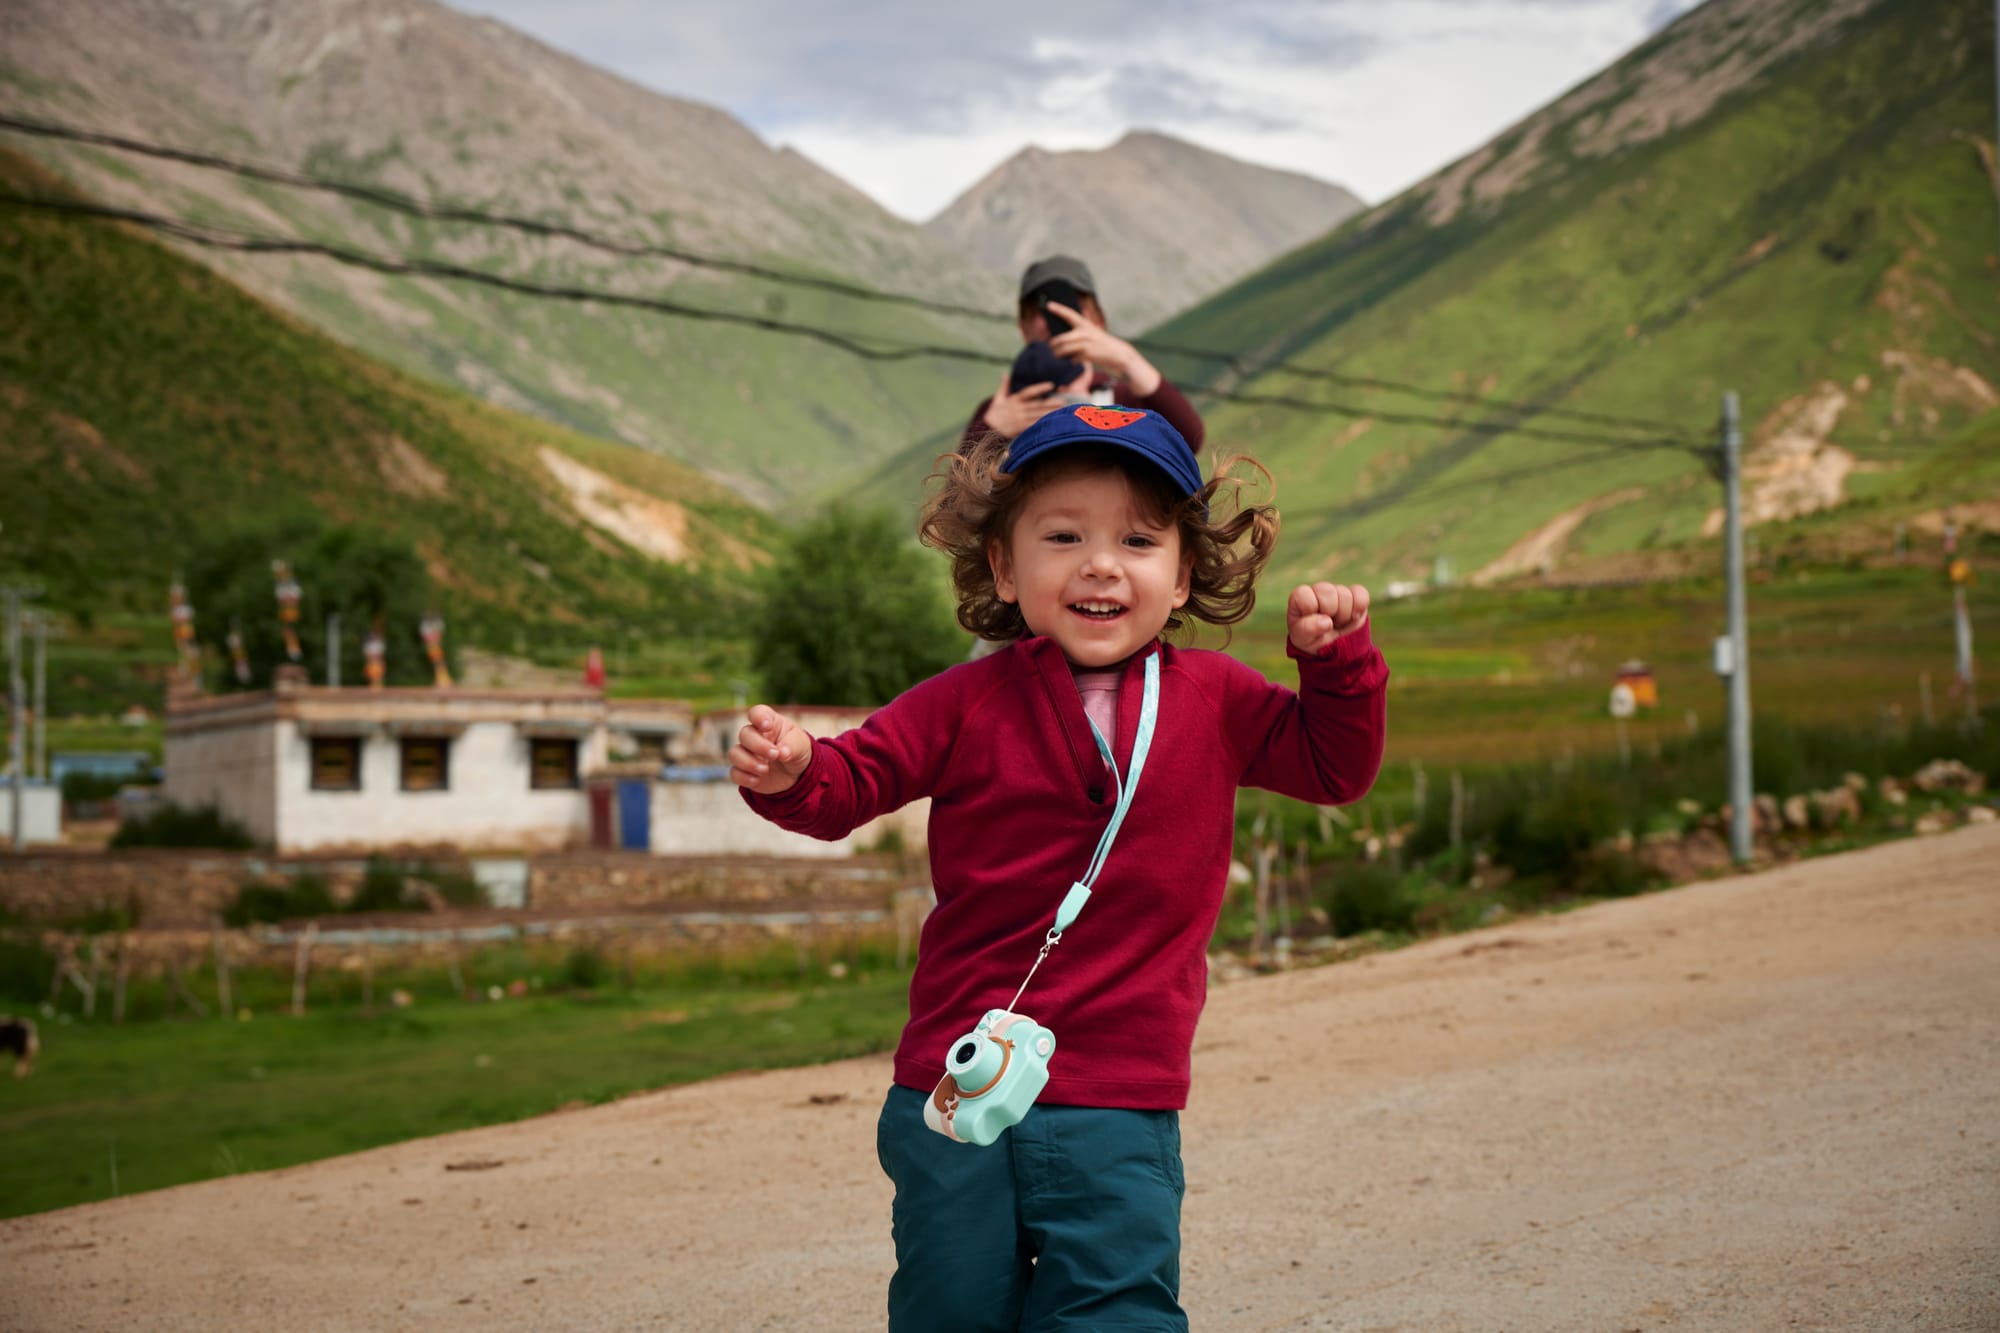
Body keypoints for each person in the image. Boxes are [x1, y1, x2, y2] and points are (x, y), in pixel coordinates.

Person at [729, 403, 1387, 1329]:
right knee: (950, 1307)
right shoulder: (961, 702)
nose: (1101, 562)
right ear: (1004, 564)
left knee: (1114, 1309)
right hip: (953, 1088)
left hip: (1122, 1093)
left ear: (1185, 568)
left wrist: (1339, 668)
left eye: (1140, 538)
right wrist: (797, 768)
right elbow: (852, 782)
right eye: (1063, 534)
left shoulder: (1220, 698)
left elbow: (1334, 766)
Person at [961, 255, 1206, 455]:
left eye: (1070, 305)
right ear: (1023, 328)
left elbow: (1190, 439)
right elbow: (955, 504)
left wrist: (1128, 359)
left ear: (1098, 321)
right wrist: (992, 432)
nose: (1051, 319)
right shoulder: (1000, 408)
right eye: (1037, 309)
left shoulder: (1123, 397)